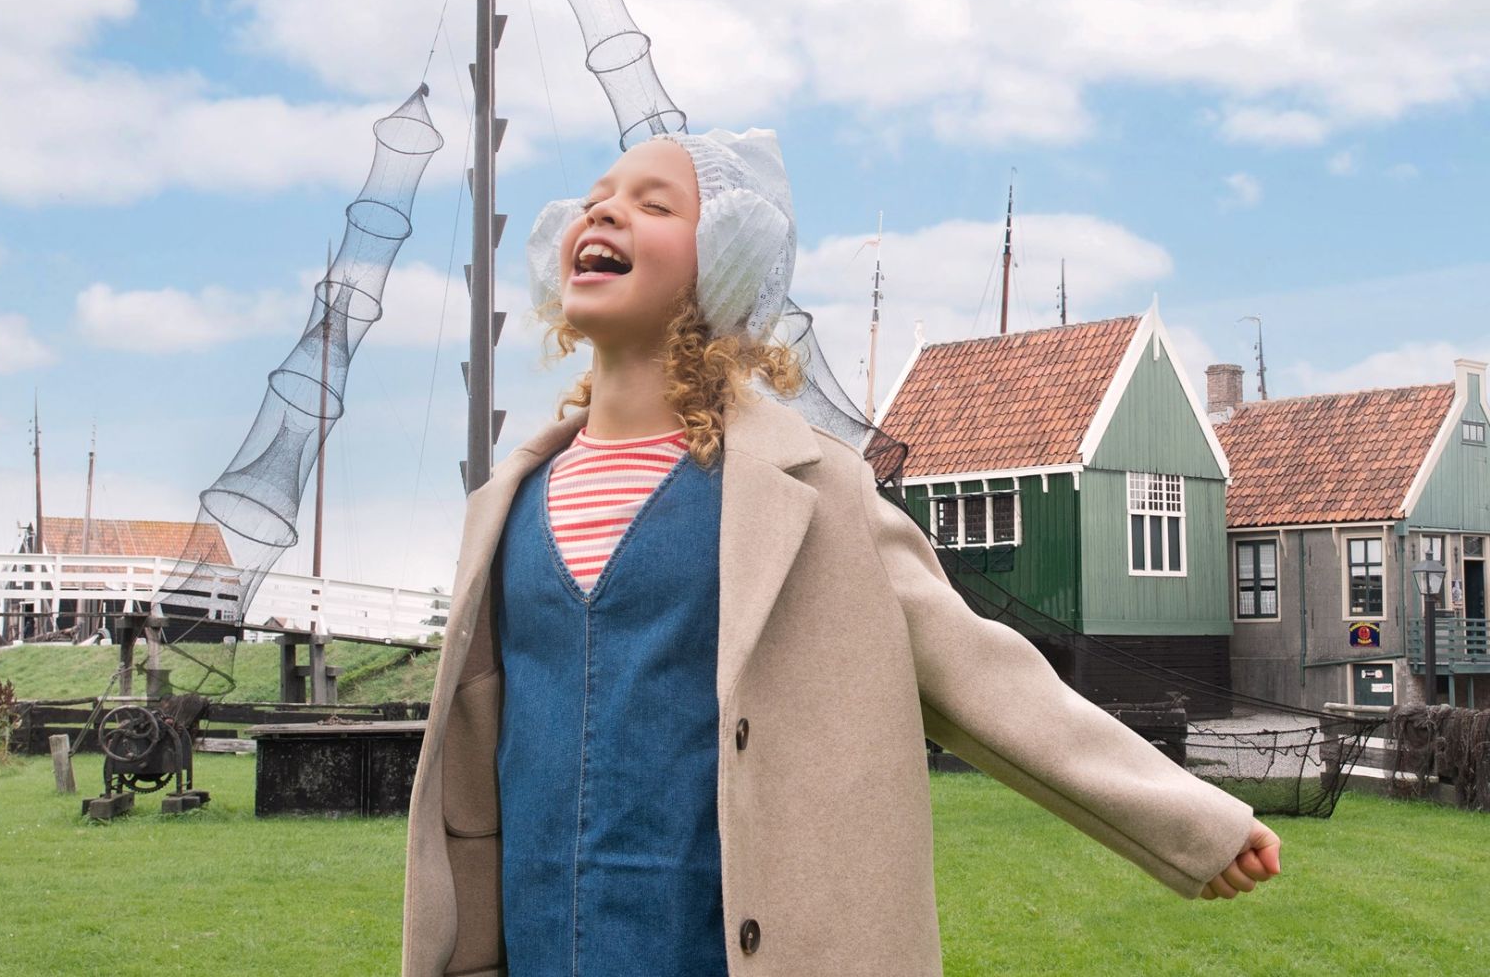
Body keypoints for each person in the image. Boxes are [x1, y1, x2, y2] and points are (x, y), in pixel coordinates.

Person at [402, 129, 1283, 977]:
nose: (603, 214)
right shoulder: (505, 507)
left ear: (725, 260)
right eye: (594, 201)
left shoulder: (816, 492)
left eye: (652, 204)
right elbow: (474, 777)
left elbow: (985, 675)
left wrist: (1191, 822)